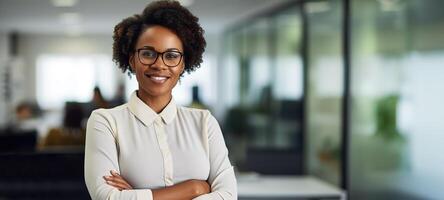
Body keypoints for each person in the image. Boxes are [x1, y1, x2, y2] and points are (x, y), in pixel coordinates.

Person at [84, 1, 237, 200]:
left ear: (183, 64)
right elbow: (107, 198)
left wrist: (135, 195)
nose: (159, 64)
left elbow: (228, 196)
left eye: (171, 56)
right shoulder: (106, 122)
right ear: (132, 60)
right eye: (148, 54)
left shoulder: (204, 123)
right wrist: (194, 189)